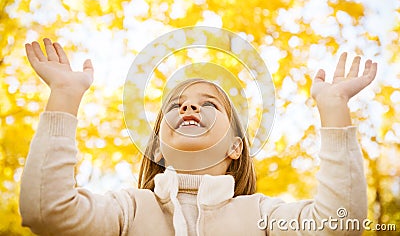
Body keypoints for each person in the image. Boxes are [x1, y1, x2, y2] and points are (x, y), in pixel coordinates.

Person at [20, 38, 377, 235]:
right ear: (158, 146)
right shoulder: (127, 209)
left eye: (209, 104)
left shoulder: (262, 215)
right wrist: (64, 95)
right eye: (177, 105)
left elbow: (340, 224)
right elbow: (47, 212)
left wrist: (333, 107)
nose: (188, 109)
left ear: (236, 147)